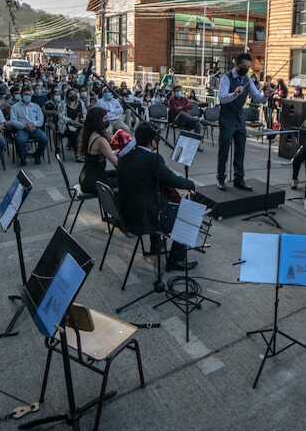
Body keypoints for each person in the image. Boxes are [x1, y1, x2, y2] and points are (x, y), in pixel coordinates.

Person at [116, 122, 198, 272]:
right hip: (144, 218)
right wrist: (191, 184)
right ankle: (176, 260)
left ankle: (156, 246)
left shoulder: (125, 155)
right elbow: (172, 179)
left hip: (125, 213)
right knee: (189, 216)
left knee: (157, 200)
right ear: (153, 140)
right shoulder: (153, 159)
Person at [216, 53, 264, 191]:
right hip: (227, 117)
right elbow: (223, 98)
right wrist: (235, 93)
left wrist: (266, 94)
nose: (246, 69)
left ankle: (239, 179)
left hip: (239, 117)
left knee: (240, 150)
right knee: (224, 150)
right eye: (244, 67)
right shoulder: (226, 78)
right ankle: (220, 178)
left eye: (248, 67)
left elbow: (257, 98)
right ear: (237, 65)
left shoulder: (247, 80)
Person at [79, 106, 119, 194]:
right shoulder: (100, 140)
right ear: (97, 121)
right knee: (127, 180)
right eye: (105, 119)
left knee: (116, 173)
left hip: (86, 177)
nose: (107, 121)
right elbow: (116, 162)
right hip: (93, 183)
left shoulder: (90, 133)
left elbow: (102, 153)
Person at [9, 87, 48, 165]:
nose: (28, 96)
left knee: (44, 139)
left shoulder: (36, 106)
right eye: (26, 94)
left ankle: (37, 156)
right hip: (22, 129)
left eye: (29, 95)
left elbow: (41, 119)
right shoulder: (15, 107)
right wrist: (25, 126)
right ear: (21, 95)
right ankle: (23, 158)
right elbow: (13, 121)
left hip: (34, 128)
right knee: (20, 140)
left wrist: (33, 124)